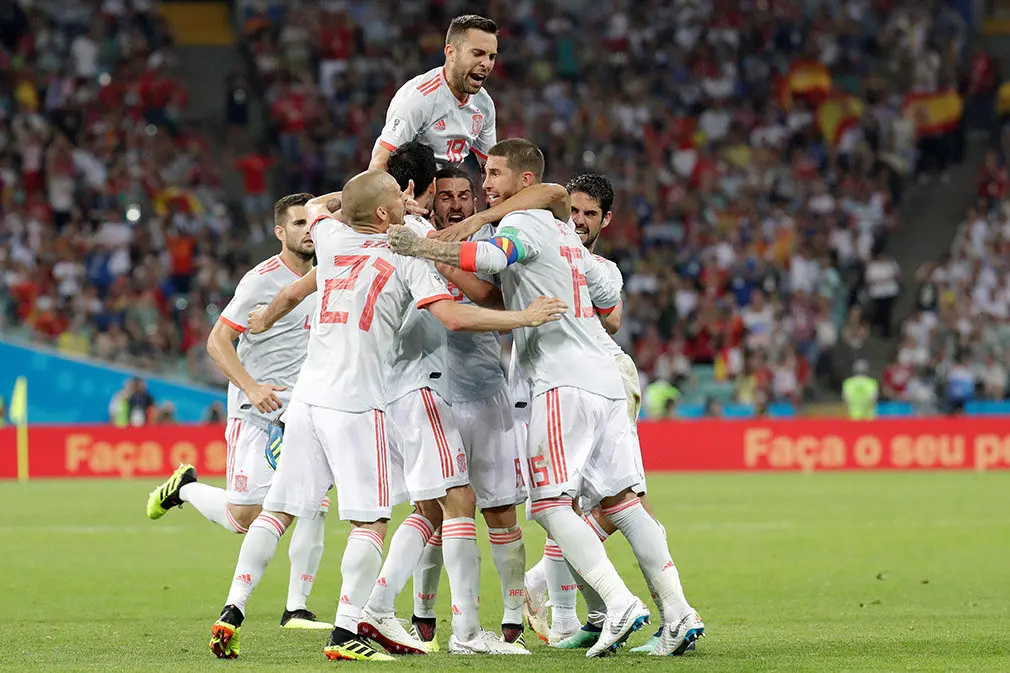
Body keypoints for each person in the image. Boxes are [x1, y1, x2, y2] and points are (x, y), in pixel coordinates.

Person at [207, 169, 565, 661]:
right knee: (371, 522)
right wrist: (524, 317)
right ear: (382, 214)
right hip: (358, 403)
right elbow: (455, 317)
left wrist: (265, 317)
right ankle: (346, 633)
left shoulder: (330, 239)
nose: (408, 200)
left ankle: (233, 610)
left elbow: (317, 208)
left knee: (278, 510)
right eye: (398, 196)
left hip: (307, 398)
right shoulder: (405, 253)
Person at [389, 139, 704, 658]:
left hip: (562, 383)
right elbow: (607, 299)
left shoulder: (526, 226)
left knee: (551, 503)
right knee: (624, 503)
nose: (486, 184)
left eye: (494, 174)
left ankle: (616, 603)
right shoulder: (570, 239)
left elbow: (490, 255)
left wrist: (421, 246)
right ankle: (678, 614)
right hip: (607, 378)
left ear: (524, 182)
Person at [357, 144, 528, 655]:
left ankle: (508, 618)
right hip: (431, 392)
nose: (455, 203)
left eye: (465, 195)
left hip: (483, 390)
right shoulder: (411, 243)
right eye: (445, 194)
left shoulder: (488, 243)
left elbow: (491, 295)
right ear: (430, 198)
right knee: (444, 505)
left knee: (486, 509)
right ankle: (433, 619)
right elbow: (463, 310)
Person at [146, 193, 331, 630]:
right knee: (243, 518)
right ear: (280, 232)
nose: (309, 230)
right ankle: (185, 489)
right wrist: (252, 387)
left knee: (314, 502)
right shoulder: (260, 280)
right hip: (256, 408)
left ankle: (297, 609)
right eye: (299, 223)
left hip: (304, 406)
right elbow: (217, 342)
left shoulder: (330, 271)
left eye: (313, 222)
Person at [369, 15, 498, 170]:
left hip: (450, 188)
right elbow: (379, 164)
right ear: (451, 53)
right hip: (410, 190)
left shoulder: (484, 104)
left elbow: (491, 168)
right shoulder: (419, 99)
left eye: (491, 57)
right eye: (477, 53)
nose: (486, 64)